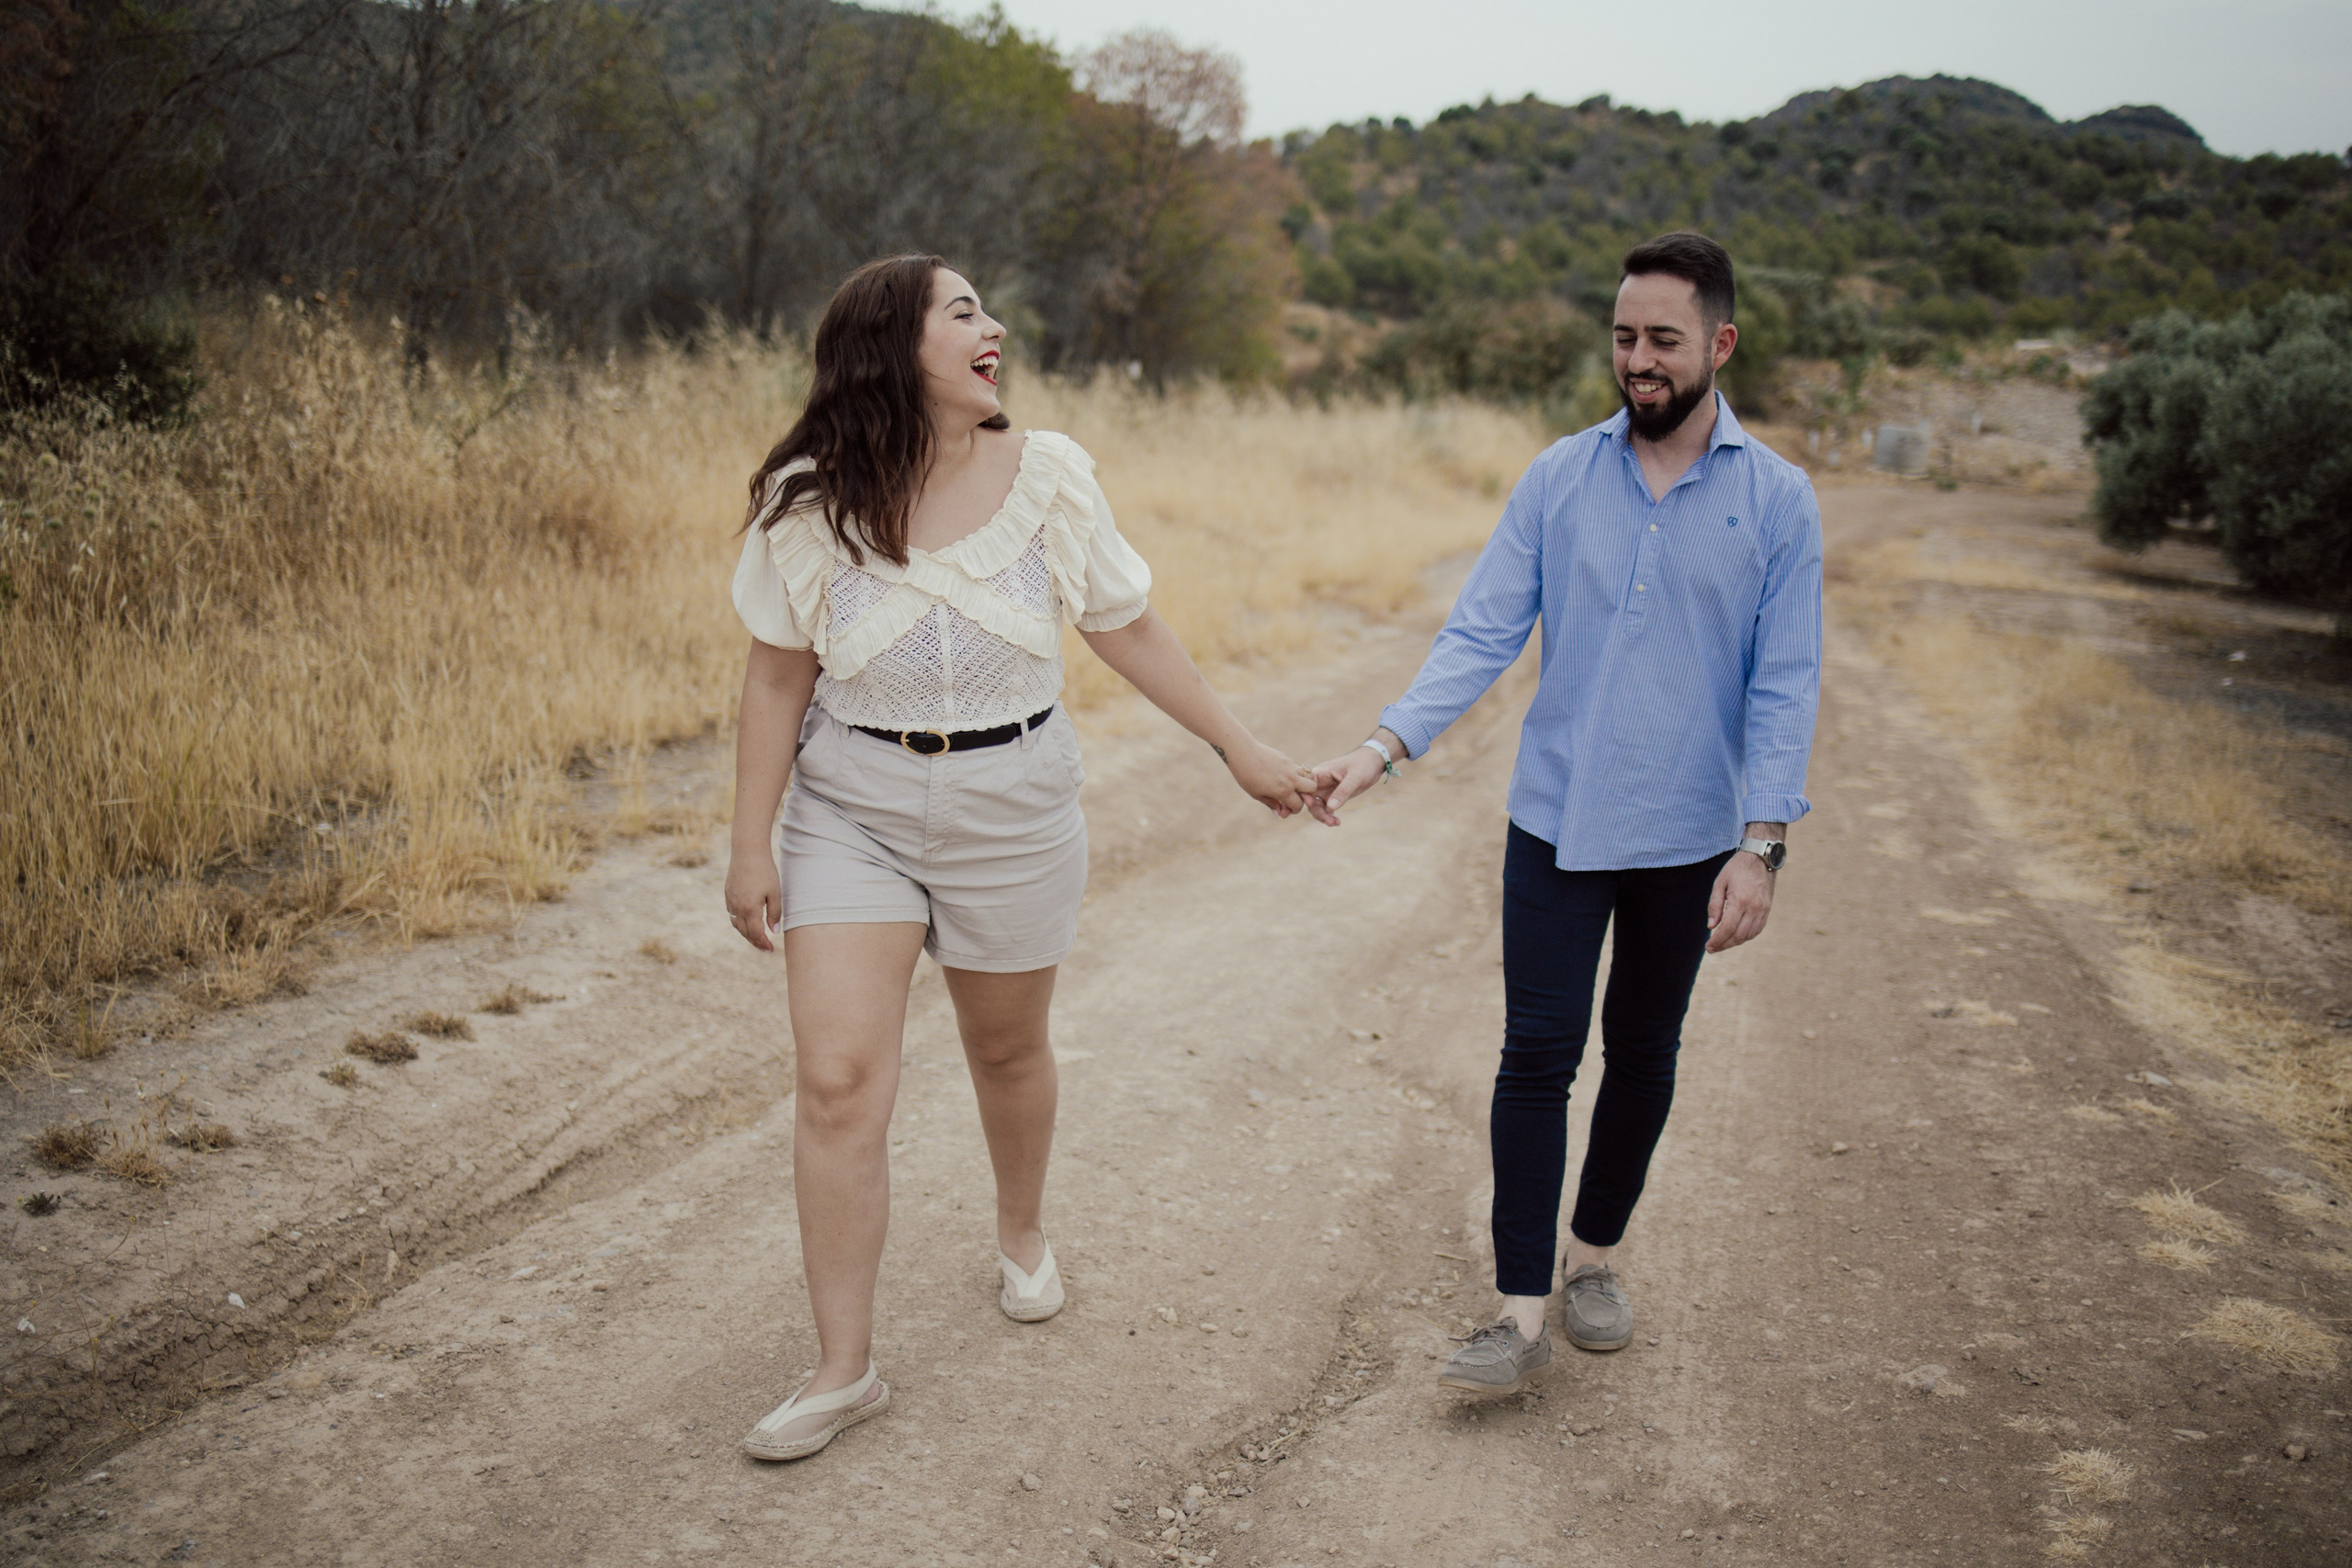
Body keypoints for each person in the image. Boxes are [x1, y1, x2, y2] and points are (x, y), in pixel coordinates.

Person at [723, 254, 1320, 1461]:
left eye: (986, 310)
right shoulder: (807, 495)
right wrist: (749, 840)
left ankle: (1021, 1231)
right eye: (963, 311)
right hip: (853, 806)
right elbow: (778, 671)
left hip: (1016, 799)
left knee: (1005, 1045)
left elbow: (1126, 625)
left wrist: (1241, 749)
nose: (993, 327)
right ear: (895, 345)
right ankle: (844, 1368)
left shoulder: (1049, 476)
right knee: (838, 1080)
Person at [1309, 231, 1823, 1393]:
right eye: (1623, 337)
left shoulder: (1779, 502)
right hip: (1553, 823)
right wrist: (1382, 747)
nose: (1637, 361)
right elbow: (1482, 631)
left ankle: (1594, 1258)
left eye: (1662, 341)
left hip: (1689, 839)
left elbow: (1786, 681)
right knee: (1535, 1056)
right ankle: (1517, 1309)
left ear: (1719, 344)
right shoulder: (1557, 477)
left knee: (1641, 1055)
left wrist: (1762, 847)